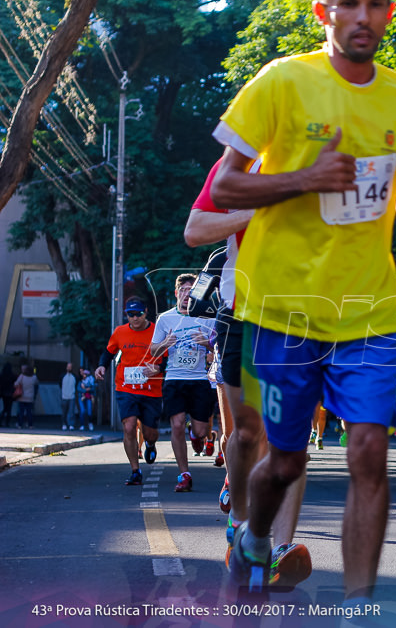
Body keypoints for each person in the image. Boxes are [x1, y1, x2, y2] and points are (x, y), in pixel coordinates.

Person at [209, 0, 396, 598]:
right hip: (281, 305)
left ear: (388, 12)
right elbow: (224, 189)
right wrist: (304, 178)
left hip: (368, 308)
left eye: (374, 4)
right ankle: (252, 541)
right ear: (323, 11)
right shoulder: (282, 82)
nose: (362, 16)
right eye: (348, 3)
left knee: (369, 451)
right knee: (286, 460)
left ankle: (357, 604)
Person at [184, 158, 312, 591]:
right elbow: (195, 230)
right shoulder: (240, 164)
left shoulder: (335, 162)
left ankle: (277, 550)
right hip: (243, 315)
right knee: (245, 435)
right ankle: (241, 529)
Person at [150, 273, 218, 493]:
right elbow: (152, 351)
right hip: (174, 379)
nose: (187, 294)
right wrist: (165, 344)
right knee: (176, 424)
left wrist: (207, 344)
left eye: (192, 290)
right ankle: (184, 474)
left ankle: (196, 434)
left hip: (199, 380)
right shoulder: (165, 319)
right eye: (184, 290)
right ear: (176, 292)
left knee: (200, 431)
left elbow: (220, 348)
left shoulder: (207, 318)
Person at [96, 299, 164, 485]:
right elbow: (109, 352)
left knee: (150, 432)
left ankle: (150, 444)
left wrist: (158, 368)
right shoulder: (120, 332)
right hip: (126, 388)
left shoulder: (158, 331)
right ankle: (135, 470)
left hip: (151, 390)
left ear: (146, 312)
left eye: (138, 314)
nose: (134, 318)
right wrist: (102, 366)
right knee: (129, 426)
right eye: (130, 314)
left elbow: (166, 358)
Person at [13, 364, 39, 429]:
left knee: (21, 412)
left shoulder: (22, 376)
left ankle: (20, 424)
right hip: (30, 397)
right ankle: (30, 425)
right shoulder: (34, 377)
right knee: (29, 412)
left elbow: (15, 384)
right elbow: (37, 384)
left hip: (22, 397)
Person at [60, 363, 78, 431]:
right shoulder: (62, 376)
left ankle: (71, 424)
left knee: (71, 412)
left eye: (70, 367)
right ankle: (64, 424)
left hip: (72, 397)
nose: (69, 368)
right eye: (68, 367)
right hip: (64, 396)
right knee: (64, 412)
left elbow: (76, 385)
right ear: (66, 367)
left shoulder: (74, 376)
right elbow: (60, 384)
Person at [0, 362, 16, 427]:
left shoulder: (1, 375)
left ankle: (1, 420)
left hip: (3, 393)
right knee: (9, 409)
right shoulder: (12, 376)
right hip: (10, 394)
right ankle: (7, 422)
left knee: (5, 408)